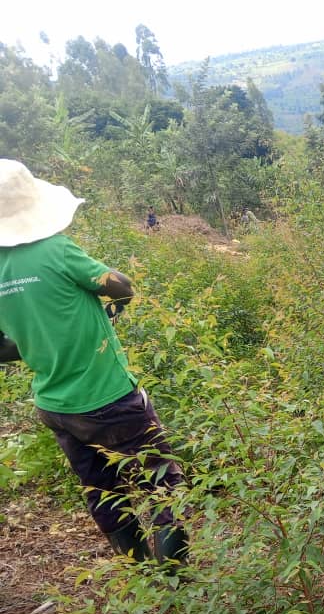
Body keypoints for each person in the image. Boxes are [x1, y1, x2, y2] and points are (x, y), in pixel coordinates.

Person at [0, 160, 188, 570]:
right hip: (108, 398)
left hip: (55, 407)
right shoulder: (54, 249)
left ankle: (141, 576)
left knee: (103, 491)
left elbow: (2, 349)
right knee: (162, 482)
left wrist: (37, 342)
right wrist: (114, 309)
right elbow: (121, 285)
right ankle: (177, 584)